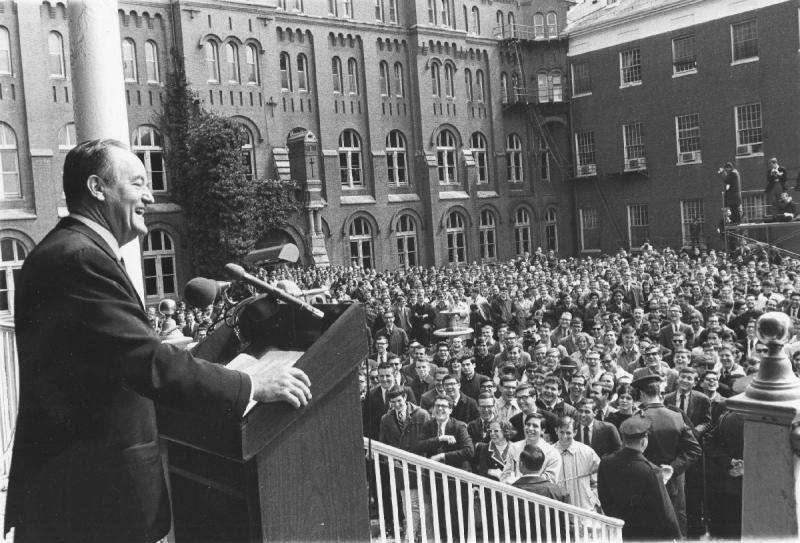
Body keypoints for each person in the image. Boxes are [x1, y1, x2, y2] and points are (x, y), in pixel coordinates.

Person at [4, 139, 313, 543]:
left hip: (79, 493)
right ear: (98, 188)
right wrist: (254, 385)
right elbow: (146, 361)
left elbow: (127, 356)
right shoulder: (80, 259)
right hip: (92, 501)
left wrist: (251, 311)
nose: (149, 195)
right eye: (137, 183)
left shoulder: (72, 250)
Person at [633, 373, 702, 538]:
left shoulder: (638, 418)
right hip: (673, 480)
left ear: (642, 394)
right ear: (659, 393)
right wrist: (673, 467)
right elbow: (694, 449)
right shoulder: (676, 416)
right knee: (676, 521)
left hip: (645, 481)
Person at [598, 416, 682, 541]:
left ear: (623, 440)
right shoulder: (652, 470)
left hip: (618, 531)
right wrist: (678, 537)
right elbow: (666, 513)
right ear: (643, 441)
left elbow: (604, 497)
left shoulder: (606, 462)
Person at [511, 444, 570, 541]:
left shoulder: (506, 493)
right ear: (542, 465)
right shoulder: (560, 493)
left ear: (521, 464)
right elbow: (567, 529)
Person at [553, 416, 601, 512]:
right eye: (561, 432)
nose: (564, 436)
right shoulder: (549, 453)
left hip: (585, 509)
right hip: (558, 510)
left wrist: (593, 499)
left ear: (575, 432)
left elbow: (598, 480)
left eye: (568, 433)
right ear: (556, 431)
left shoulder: (588, 452)